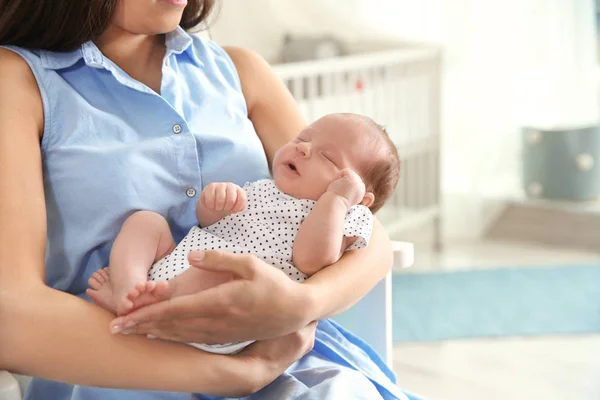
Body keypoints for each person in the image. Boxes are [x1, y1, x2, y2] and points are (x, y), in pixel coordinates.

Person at [0, 0, 421, 399]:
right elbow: (12, 314)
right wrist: (236, 374)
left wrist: (297, 305)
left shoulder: (240, 71)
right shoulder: (16, 80)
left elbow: (370, 236)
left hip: (280, 354)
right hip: (122, 363)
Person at [86, 113, 399, 355]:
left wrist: (337, 199)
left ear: (361, 197)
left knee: (223, 273)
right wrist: (215, 204)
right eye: (303, 138)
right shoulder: (264, 187)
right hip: (175, 266)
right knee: (146, 223)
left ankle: (154, 310)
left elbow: (311, 259)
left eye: (327, 158)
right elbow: (208, 227)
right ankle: (129, 289)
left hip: (226, 308)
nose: (303, 148)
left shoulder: (346, 215)